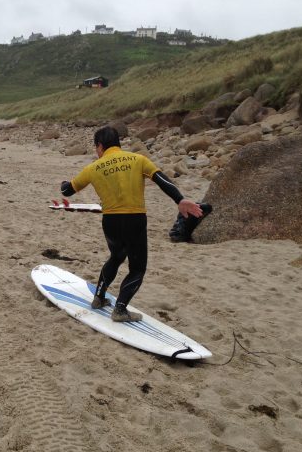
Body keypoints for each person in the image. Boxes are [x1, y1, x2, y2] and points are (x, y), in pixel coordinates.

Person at [61, 126, 203, 322]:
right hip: (134, 220)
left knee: (116, 257)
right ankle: (120, 309)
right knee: (137, 268)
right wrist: (180, 200)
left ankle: (99, 298)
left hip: (110, 221)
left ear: (100, 146)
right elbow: (161, 179)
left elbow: (68, 191)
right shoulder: (137, 159)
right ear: (117, 143)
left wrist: (64, 184)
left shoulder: (93, 168)